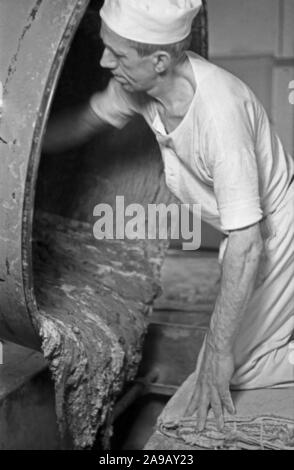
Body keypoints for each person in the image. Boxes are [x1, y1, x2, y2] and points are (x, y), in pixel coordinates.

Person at [43, 0, 294, 432]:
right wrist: (21, 148)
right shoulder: (138, 88)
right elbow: (85, 121)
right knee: (226, 349)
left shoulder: (220, 114)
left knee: (236, 370)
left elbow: (249, 244)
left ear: (159, 60)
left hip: (274, 232)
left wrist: (218, 351)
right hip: (245, 237)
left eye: (118, 55)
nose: (105, 62)